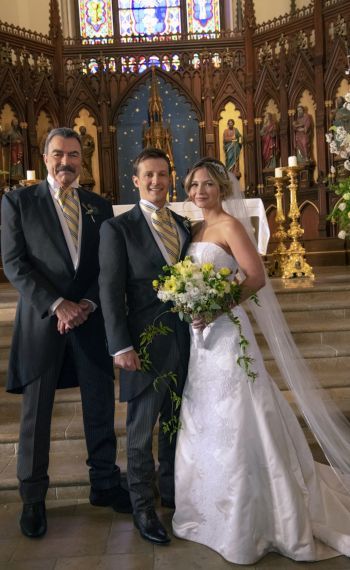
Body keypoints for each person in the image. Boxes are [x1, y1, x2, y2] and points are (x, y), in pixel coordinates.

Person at [172, 157, 350, 564]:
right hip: (200, 339)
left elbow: (255, 277)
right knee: (206, 415)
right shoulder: (195, 228)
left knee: (239, 410)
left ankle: (254, 516)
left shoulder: (231, 226)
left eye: (207, 185)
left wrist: (215, 307)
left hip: (227, 332)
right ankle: (210, 509)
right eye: (194, 185)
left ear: (222, 189)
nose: (200, 191)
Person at [1, 127, 131, 539]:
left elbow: (107, 267)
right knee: (36, 415)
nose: (66, 162)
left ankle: (105, 483)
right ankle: (33, 498)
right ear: (44, 156)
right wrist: (58, 305)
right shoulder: (19, 202)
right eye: (58, 153)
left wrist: (87, 304)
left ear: (82, 160)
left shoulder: (98, 205)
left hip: (90, 323)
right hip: (42, 322)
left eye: (74, 155)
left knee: (99, 405)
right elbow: (14, 263)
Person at [99, 147, 191, 545]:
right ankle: (142, 506)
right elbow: (109, 289)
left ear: (171, 178)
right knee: (140, 431)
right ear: (135, 181)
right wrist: (120, 345)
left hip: (189, 342)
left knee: (177, 421)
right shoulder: (118, 229)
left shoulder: (185, 224)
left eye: (163, 175)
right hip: (145, 345)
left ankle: (170, 493)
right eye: (148, 176)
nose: (156, 182)